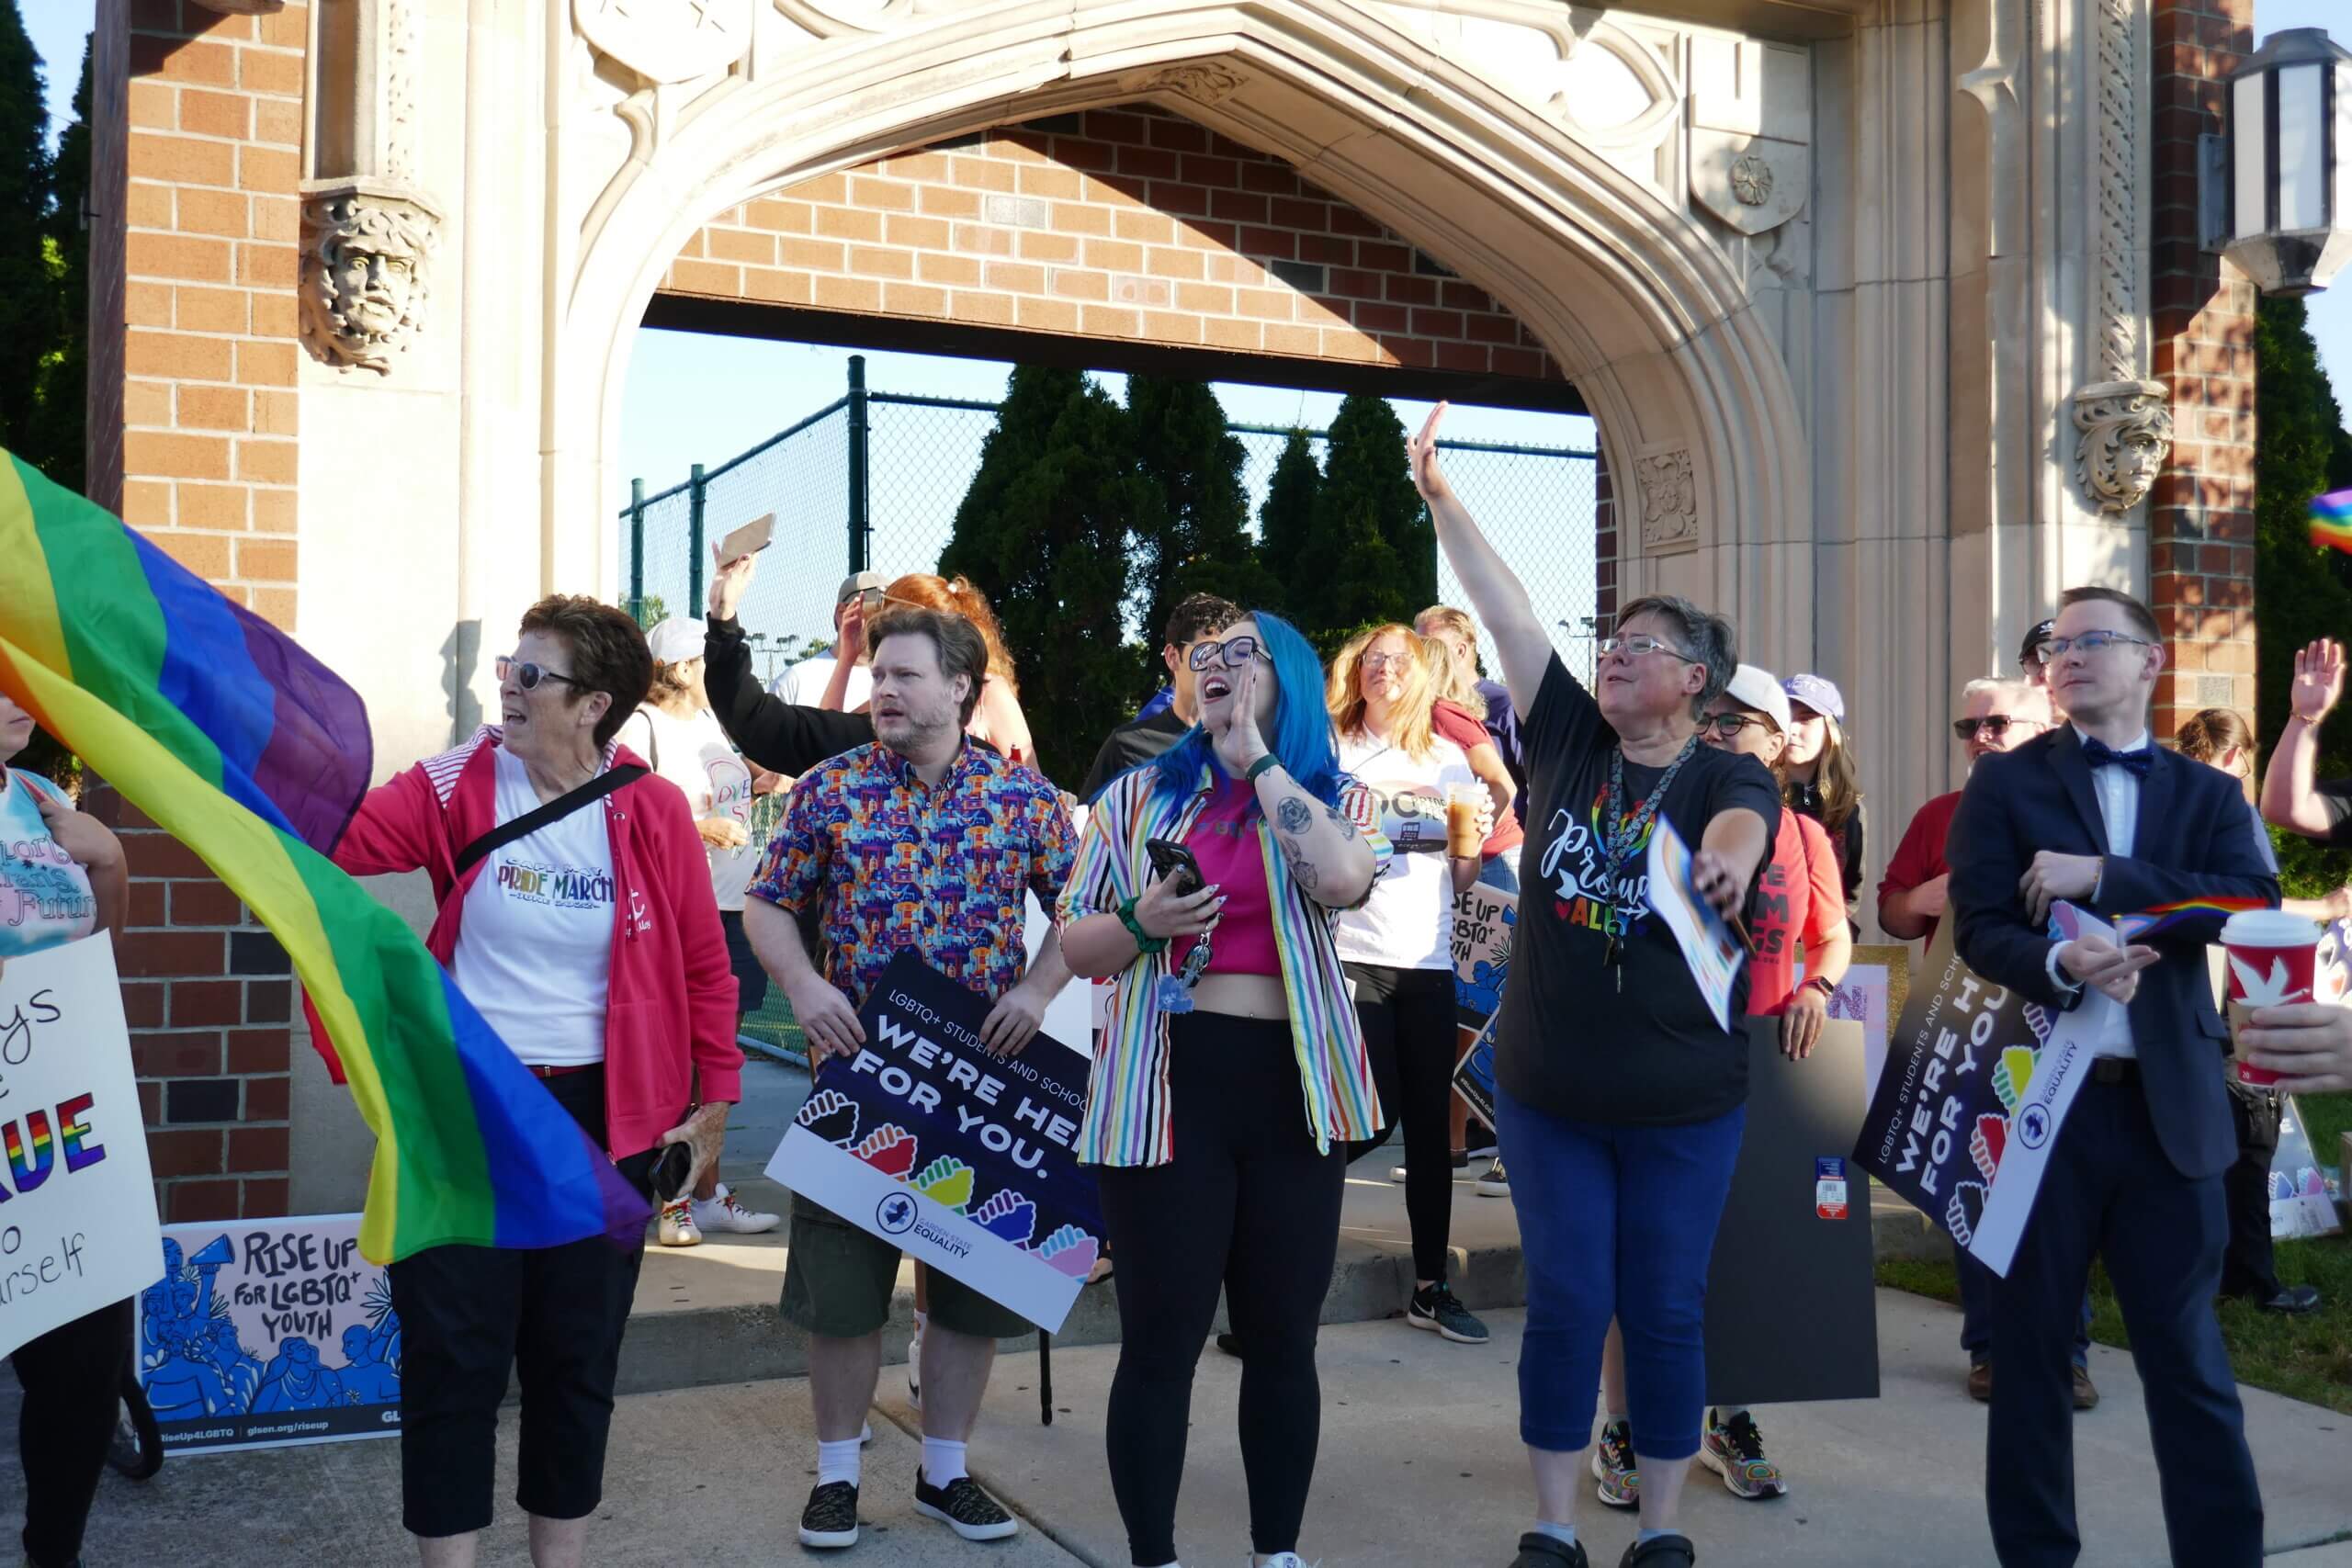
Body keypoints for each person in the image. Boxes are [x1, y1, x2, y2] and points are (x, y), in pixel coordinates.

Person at [1410, 404, 1779, 1568]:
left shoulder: (1726, 771)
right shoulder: (1566, 736)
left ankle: (1662, 1532)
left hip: (1682, 1103)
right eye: (1610, 638)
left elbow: (1741, 825)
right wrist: (1442, 498)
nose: (1614, 652)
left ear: (1696, 679)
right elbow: (1508, 610)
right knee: (1569, 1303)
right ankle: (1553, 1524)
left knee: (1665, 1308)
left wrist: (1727, 862)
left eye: (1644, 643)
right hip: (1550, 1093)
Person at [331, 595, 741, 1568]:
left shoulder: (650, 809)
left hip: (607, 1121)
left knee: (574, 1361)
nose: (506, 687)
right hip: (468, 1115)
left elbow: (704, 968)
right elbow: (336, 840)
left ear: (593, 704)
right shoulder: (456, 784)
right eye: (508, 668)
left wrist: (714, 1103)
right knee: (452, 1361)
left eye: (532, 675)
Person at [1947, 584, 2275, 1568]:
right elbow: (1978, 928)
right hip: (2043, 1115)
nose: (2071, 654)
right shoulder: (2004, 784)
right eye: (2057, 642)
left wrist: (2107, 881)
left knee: (2190, 1366)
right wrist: (2057, 961)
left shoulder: (2208, 794)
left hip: (2169, 1116)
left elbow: (2248, 901)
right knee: (2031, 1364)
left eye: (2097, 639)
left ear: (2150, 661)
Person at [742, 605, 1074, 1552]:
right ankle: (837, 1476)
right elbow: (769, 906)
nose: (881, 689)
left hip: (980, 1089)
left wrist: (1040, 990)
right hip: (859, 1081)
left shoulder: (1023, 803)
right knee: (842, 1295)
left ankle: (944, 1474)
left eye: (903, 676)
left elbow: (1088, 911)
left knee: (970, 1293)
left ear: (962, 688)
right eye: (878, 673)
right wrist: (802, 986)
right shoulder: (830, 790)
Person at [1058, 609, 1385, 1568]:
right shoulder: (1133, 799)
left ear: (1284, 677)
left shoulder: (1333, 794)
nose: (1218, 665)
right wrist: (1142, 918)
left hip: (1292, 1093)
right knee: (1160, 1341)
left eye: (1243, 653)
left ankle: (1274, 1553)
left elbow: (1338, 880)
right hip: (1168, 1089)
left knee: (1282, 1337)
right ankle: (1152, 1554)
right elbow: (1078, 944)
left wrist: (1257, 765)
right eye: (1207, 654)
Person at [1590, 664, 1848, 1510]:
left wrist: (1816, 988)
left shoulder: (1805, 836)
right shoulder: (1656, 810)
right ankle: (1620, 1425)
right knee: (1648, 1255)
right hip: (1666, 1061)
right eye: (1715, 716)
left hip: (1768, 1062)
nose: (1722, 728)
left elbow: (1834, 937)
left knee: (1743, 1252)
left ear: (1779, 743)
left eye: (1743, 720)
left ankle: (1727, 1419)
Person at [1874, 677, 2095, 1404]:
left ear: (2047, 725)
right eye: (1968, 724)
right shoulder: (1941, 815)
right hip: (1964, 1021)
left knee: (2059, 1195)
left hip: (2061, 1023)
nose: (1980, 736)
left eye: (1999, 722)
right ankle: (1991, 1349)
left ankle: (2068, 1352)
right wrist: (1924, 898)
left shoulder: (2084, 811)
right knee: (1971, 1186)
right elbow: (1895, 915)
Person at [1325, 624, 1494, 1346]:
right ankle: (1287, 1267)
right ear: (1355, 670)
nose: (1384, 669)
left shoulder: (1450, 758)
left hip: (1426, 960)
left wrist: (1472, 842)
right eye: (1373, 658)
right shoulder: (1329, 747)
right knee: (1360, 1115)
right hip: (1349, 952)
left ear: (1420, 674)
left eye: (1398, 660)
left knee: (1428, 1127)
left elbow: (1462, 877)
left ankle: (1432, 1285)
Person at [0, 699, 133, 1568]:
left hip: (58, 1125)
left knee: (84, 1360)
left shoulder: (40, 795)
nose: (17, 694)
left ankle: (55, 1552)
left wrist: (111, 858)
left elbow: (100, 948)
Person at [616, 618, 782, 1247]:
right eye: (705, 659)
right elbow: (626, 813)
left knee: (716, 1062)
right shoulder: (642, 725)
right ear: (683, 668)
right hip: (683, 912)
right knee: (685, 1063)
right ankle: (675, 1198)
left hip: (733, 907)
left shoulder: (712, 724)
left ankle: (706, 1193)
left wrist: (759, 785)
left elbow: (723, 793)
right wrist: (702, 828)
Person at [2181, 707, 2326, 1316]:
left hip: (2181, 1000)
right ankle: (2250, 1279)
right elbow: (2252, 908)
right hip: (2234, 996)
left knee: (2200, 1146)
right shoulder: (2229, 812)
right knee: (2251, 1142)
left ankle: (2207, 1273)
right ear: (2237, 756)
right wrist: (2322, 907)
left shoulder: (2163, 811)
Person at [824, 573, 1035, 770]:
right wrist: (846, 658)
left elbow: (1032, 783)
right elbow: (826, 741)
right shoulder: (892, 694)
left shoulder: (987, 692)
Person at [704, 547, 876, 778]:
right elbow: (816, 746)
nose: (884, 626)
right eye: (877, 610)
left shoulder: (917, 724)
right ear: (843, 612)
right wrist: (723, 619)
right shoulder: (800, 677)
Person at [1080, 592, 1243, 802]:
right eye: (1207, 653)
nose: (1220, 666)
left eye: (1233, 655)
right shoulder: (1127, 745)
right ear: (1173, 657)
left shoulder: (1246, 747)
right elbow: (1089, 827)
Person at [1780, 673, 1865, 922]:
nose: (1792, 729)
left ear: (1831, 732)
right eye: (1785, 718)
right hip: (1763, 942)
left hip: (1823, 943)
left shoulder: (1851, 808)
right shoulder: (1755, 794)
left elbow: (1849, 892)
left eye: (1805, 719)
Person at [771, 570, 884, 708]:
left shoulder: (901, 683)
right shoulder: (795, 681)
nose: (887, 626)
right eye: (876, 616)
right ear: (842, 614)